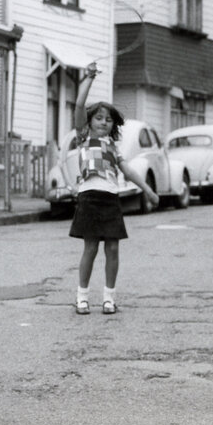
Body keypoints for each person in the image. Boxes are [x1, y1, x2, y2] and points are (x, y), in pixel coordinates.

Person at [70, 61, 159, 315]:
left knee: (112, 247)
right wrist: (89, 78)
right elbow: (78, 105)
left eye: (108, 120)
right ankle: (82, 298)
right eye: (98, 118)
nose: (104, 122)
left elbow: (128, 171)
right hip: (89, 197)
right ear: (89, 121)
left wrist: (148, 190)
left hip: (111, 198)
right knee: (90, 247)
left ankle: (109, 298)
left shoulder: (113, 147)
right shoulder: (83, 138)